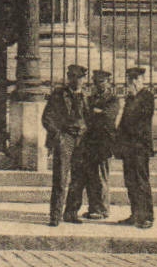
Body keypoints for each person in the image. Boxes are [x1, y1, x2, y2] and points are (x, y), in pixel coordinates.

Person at [42, 64, 89, 226]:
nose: (77, 81)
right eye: (73, 77)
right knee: (60, 178)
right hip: (65, 138)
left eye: (80, 77)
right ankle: (55, 216)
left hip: (82, 140)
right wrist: (58, 136)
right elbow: (47, 118)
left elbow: (91, 118)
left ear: (84, 79)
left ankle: (71, 212)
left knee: (78, 178)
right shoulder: (58, 95)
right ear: (69, 78)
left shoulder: (86, 95)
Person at [71, 69, 122, 221]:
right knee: (91, 176)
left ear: (108, 82)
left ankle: (103, 209)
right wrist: (96, 112)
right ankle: (94, 207)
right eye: (96, 82)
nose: (98, 85)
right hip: (91, 142)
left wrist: (96, 112)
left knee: (102, 176)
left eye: (101, 82)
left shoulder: (113, 99)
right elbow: (87, 114)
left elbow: (108, 116)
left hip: (104, 143)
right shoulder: (92, 98)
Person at [112, 66, 155, 228]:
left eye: (136, 79)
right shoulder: (130, 98)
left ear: (142, 80)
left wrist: (127, 132)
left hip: (139, 146)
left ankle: (147, 216)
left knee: (141, 181)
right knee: (130, 181)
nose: (133, 82)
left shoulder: (147, 97)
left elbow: (141, 121)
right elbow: (123, 121)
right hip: (128, 147)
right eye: (130, 80)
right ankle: (135, 214)